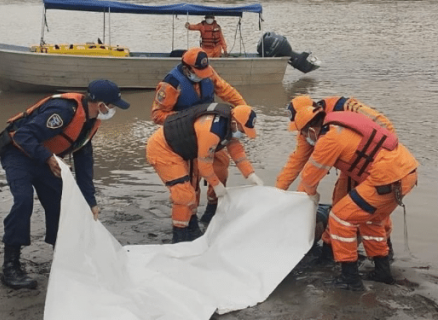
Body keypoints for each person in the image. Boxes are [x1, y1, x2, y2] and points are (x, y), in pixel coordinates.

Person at [0, 79, 130, 290]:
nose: (112, 110)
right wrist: (48, 157)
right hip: (18, 153)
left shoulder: (90, 122)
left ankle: (62, 255)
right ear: (100, 104)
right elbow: (23, 135)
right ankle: (11, 265)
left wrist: (90, 201)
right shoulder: (63, 111)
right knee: (23, 200)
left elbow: (84, 164)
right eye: (111, 105)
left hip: (45, 158)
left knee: (60, 204)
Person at [290, 106, 418, 291]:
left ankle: (350, 278)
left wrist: (297, 204)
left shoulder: (329, 139)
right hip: (406, 173)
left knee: (340, 218)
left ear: (311, 129)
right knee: (372, 220)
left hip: (386, 179)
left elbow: (309, 180)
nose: (305, 140)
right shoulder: (339, 123)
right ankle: (383, 272)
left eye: (303, 135)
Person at [276, 95, 396, 263]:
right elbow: (297, 162)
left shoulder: (344, 109)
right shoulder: (308, 129)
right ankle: (334, 251)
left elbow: (385, 128)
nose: (300, 132)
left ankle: (381, 252)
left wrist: (369, 159)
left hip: (372, 162)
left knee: (366, 211)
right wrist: (277, 193)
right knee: (341, 204)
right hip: (352, 162)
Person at [151, 47, 246, 225]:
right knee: (192, 178)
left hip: (210, 129)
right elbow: (157, 115)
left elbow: (226, 91)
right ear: (187, 69)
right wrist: (190, 118)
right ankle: (190, 218)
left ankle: (213, 206)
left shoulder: (207, 73)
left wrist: (244, 110)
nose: (203, 76)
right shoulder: (170, 84)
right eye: (198, 72)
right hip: (186, 135)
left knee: (221, 164)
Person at [146, 103, 263, 243]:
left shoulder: (228, 123)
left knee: (193, 191)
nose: (242, 134)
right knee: (184, 195)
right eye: (242, 130)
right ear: (234, 122)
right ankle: (179, 237)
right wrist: (216, 184)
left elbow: (236, 149)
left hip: (183, 149)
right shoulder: (211, 131)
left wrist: (250, 174)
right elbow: (204, 165)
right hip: (163, 150)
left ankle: (192, 227)